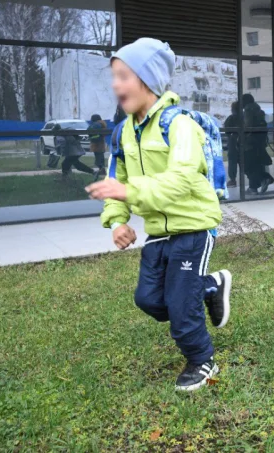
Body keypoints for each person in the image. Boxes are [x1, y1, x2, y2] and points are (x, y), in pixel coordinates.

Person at [86, 37, 231, 392]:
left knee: (181, 311)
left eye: (123, 76)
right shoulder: (123, 133)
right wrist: (118, 220)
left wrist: (129, 193)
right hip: (159, 232)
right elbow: (115, 179)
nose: (115, 84)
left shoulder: (179, 125)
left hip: (194, 228)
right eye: (114, 77)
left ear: (147, 81)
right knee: (149, 299)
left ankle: (203, 360)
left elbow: (181, 180)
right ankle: (211, 285)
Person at [242, 93, 274, 194]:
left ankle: (263, 179)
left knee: (248, 166)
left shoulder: (248, 110)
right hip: (259, 143)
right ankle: (254, 186)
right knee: (256, 165)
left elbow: (247, 126)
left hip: (250, 143)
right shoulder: (259, 111)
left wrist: (243, 138)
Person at [223, 101, 241, 188]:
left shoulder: (231, 118)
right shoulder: (244, 117)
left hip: (233, 143)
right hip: (240, 143)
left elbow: (226, 130)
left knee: (232, 162)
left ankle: (233, 180)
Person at [88, 113, 108, 180]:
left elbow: (89, 129)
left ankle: (101, 169)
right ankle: (102, 169)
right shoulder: (102, 123)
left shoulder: (96, 124)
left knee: (98, 156)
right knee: (100, 155)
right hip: (100, 141)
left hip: (96, 142)